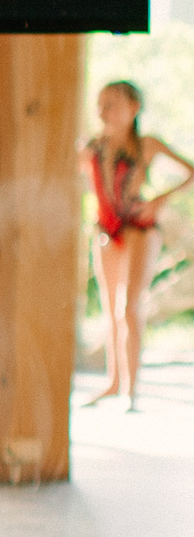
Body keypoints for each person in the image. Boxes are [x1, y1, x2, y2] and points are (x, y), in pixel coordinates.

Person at [81, 79, 189, 412]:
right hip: (106, 230)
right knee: (110, 309)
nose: (105, 111)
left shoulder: (147, 145)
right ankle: (114, 384)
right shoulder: (92, 148)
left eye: (112, 103)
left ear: (134, 108)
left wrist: (158, 201)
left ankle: (131, 388)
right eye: (101, 103)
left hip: (140, 229)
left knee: (130, 307)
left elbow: (190, 172)